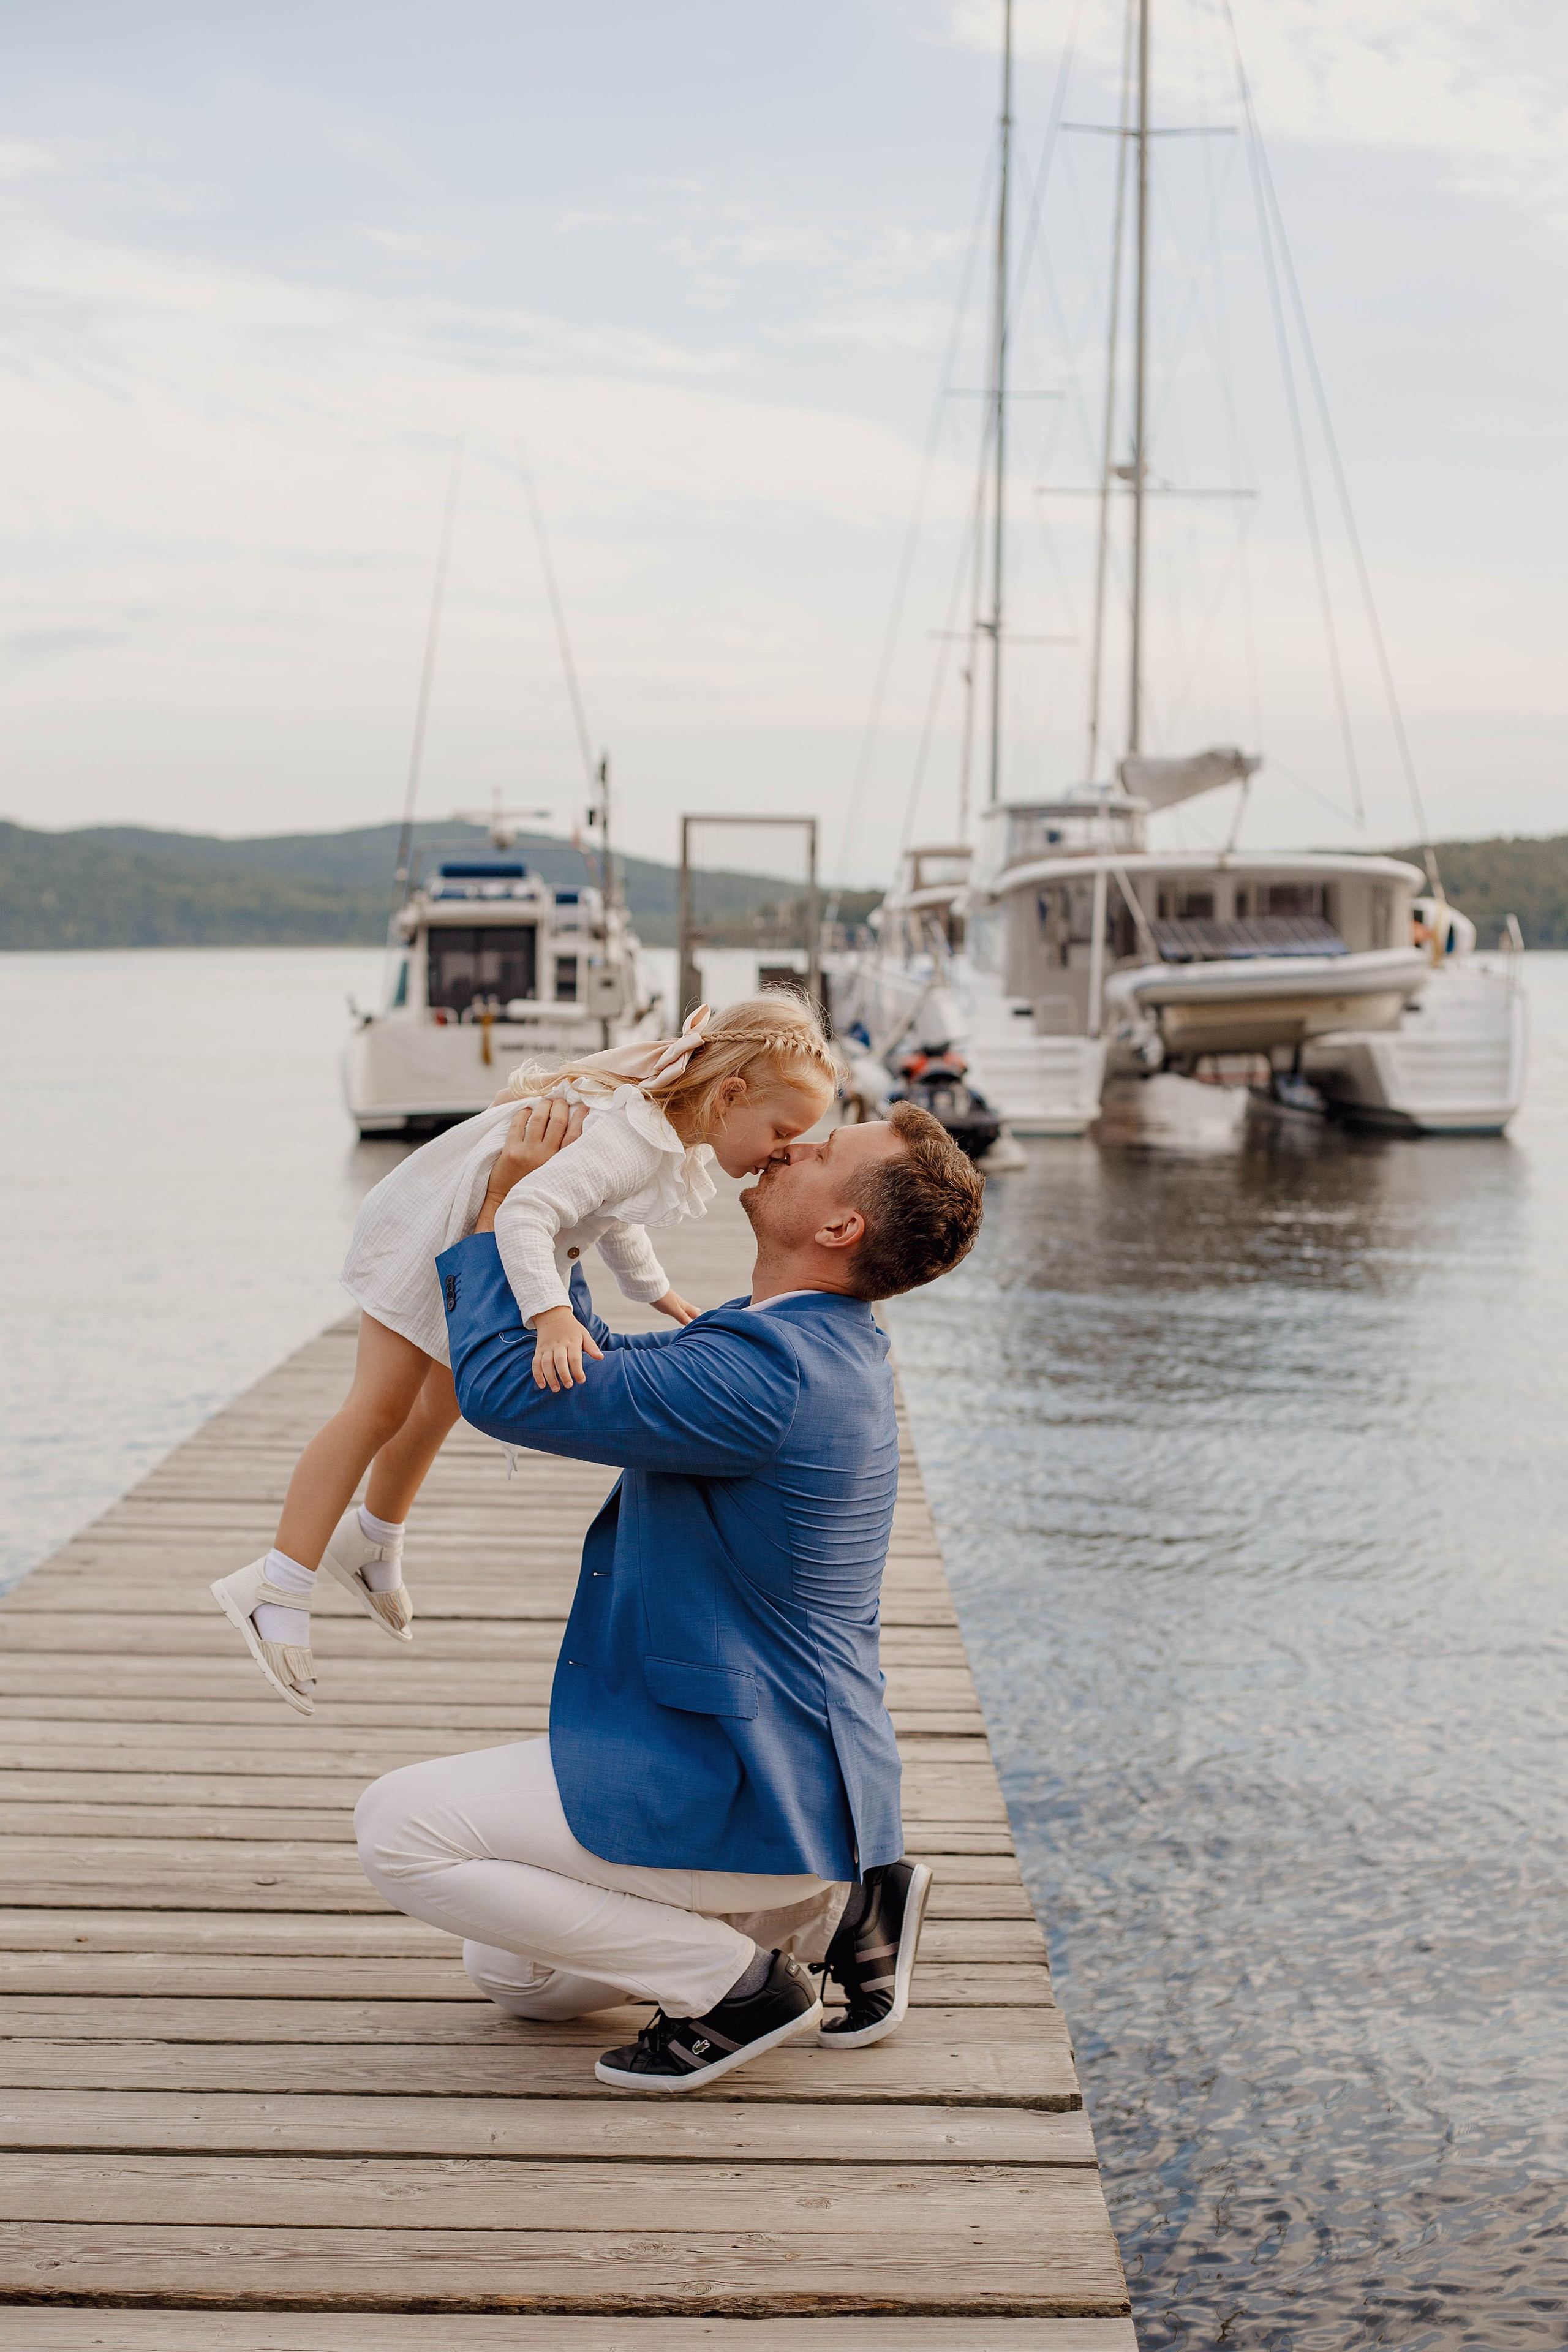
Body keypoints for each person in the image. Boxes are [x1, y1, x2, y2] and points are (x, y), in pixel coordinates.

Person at [353, 1091, 985, 2090]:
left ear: (840, 1227)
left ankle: (739, 1989)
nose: (792, 1143)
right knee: (514, 1974)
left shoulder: (769, 1374)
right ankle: (835, 1912)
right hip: (789, 1769)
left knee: (399, 1826)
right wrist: (561, 1218)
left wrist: (504, 1208)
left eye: (822, 1150)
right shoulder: (800, 1337)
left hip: (747, 1776)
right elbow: (592, 1361)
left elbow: (511, 1391)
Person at [209, 995, 837, 1716]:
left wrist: (658, 1293)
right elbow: (526, 1212)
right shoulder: (632, 1140)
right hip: (429, 1228)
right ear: (729, 1095)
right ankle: (278, 1583)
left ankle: (373, 1539)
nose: (782, 1151)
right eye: (782, 1131)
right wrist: (551, 1314)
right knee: (378, 1407)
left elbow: (610, 1214)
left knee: (441, 1400)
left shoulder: (662, 1132)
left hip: (470, 1237)